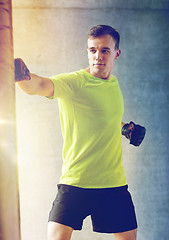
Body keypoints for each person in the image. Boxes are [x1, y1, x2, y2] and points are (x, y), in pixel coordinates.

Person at [15, 25, 145, 240]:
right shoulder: (74, 82)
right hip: (76, 182)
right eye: (92, 50)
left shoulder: (113, 83)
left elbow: (103, 115)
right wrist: (22, 76)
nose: (98, 56)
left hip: (112, 183)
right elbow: (40, 85)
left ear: (116, 53)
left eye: (104, 50)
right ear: (87, 51)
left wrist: (124, 128)